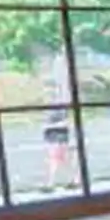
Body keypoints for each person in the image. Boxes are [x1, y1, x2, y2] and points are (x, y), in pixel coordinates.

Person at [41, 59, 75, 190]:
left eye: (50, 89)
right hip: (51, 134)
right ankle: (73, 179)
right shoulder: (48, 105)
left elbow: (65, 121)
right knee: (60, 159)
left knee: (56, 158)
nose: (48, 92)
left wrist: (51, 126)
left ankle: (51, 183)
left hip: (59, 134)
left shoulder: (60, 104)